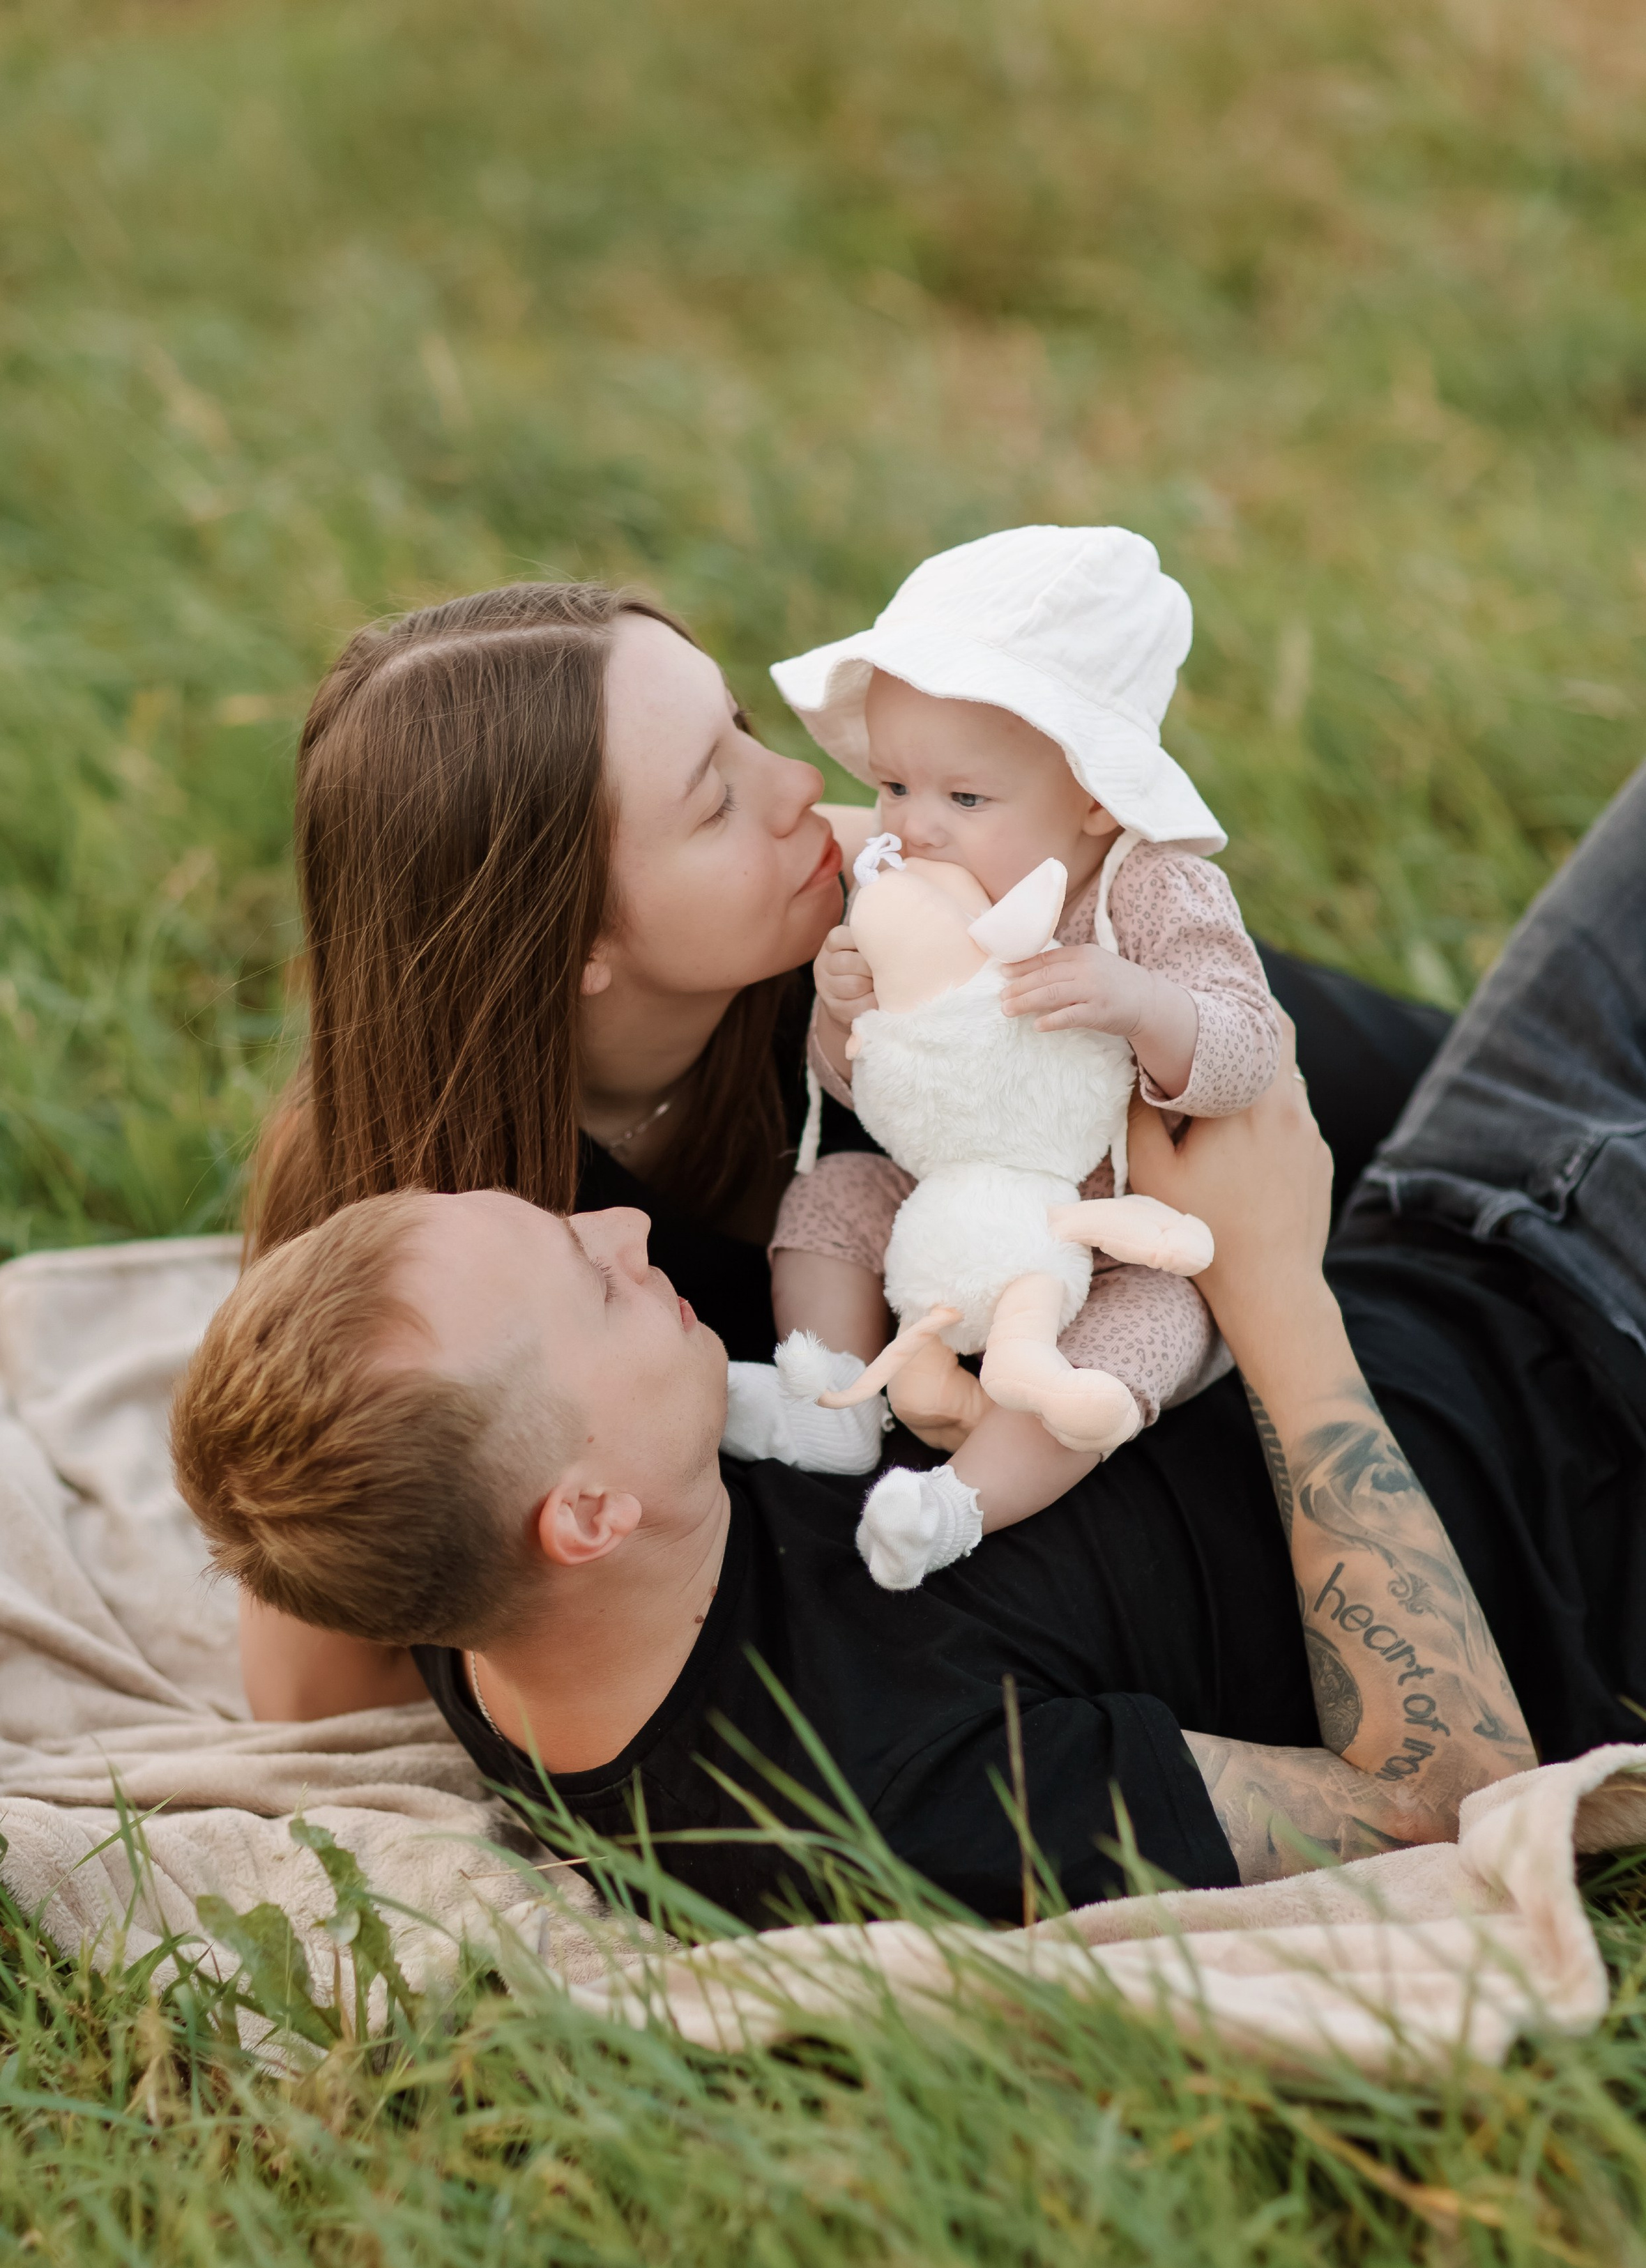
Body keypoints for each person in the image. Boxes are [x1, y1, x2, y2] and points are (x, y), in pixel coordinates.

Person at [237, 574, 1445, 1711]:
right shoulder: (418, 1235)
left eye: (745, 725)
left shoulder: (879, 902)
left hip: (1338, 1140)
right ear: (563, 945)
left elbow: (1226, 1074)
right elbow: (313, 1696)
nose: (799, 788)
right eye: (714, 796)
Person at [171, 1016, 1536, 1925]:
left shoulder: (489, 1582)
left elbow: (309, 1493)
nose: (628, 1230)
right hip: (1581, 1386)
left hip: (1443, 1220)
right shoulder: (878, 1793)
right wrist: (1276, 1300)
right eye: (592, 1285)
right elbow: (1436, 1799)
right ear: (584, 1515)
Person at [767, 528, 1281, 1588]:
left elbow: (1251, 1046)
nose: (915, 826)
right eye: (893, 784)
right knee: (833, 1194)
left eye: (963, 798)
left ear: (1096, 797)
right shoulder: (904, 880)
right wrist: (841, 1017)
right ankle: (827, 1397)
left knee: (1157, 1328)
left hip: (1108, 1236)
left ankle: (959, 1505)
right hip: (943, 1197)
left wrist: (1144, 1005)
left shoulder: (1148, 894)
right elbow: (883, 1093)